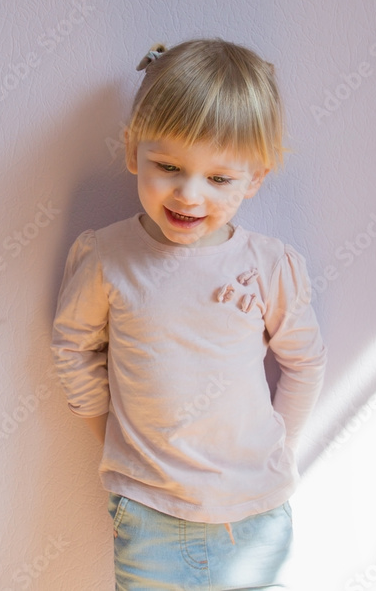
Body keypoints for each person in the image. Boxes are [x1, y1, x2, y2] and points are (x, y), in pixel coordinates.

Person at [50, 38, 328, 589]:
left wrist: (281, 448)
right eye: (168, 166)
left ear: (256, 177)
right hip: (148, 511)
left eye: (219, 178)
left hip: (255, 514)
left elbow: (305, 362)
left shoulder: (269, 266)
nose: (189, 195)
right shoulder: (107, 258)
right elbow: (73, 348)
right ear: (134, 152)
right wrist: (111, 434)